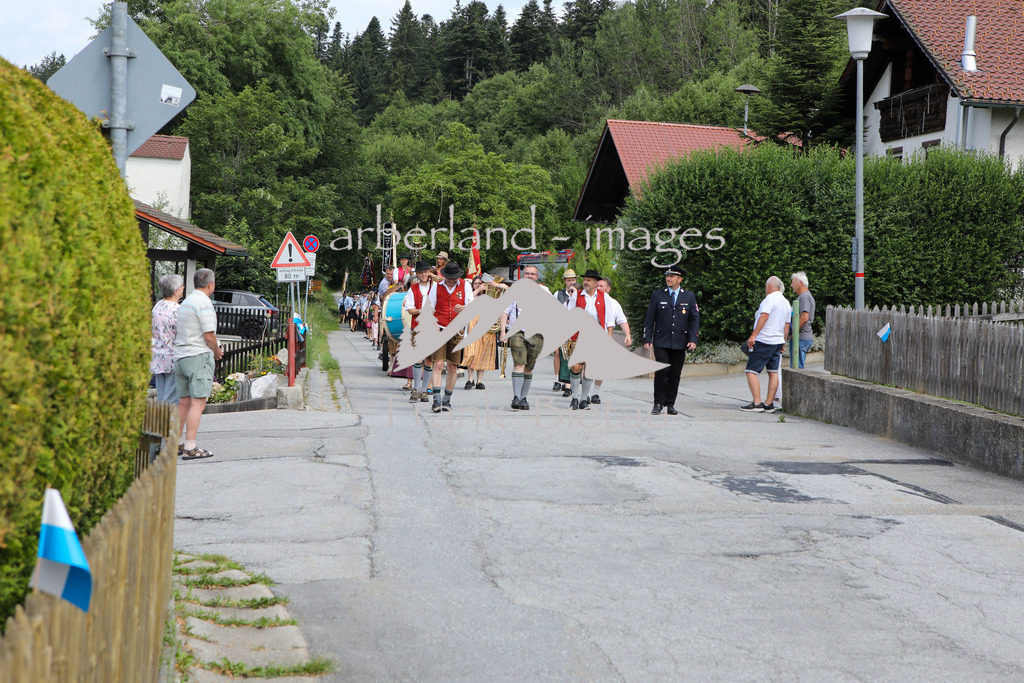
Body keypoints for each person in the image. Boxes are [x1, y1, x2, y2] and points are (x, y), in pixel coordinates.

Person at [174, 268, 223, 459]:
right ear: (211, 284)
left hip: (181, 357)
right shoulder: (204, 303)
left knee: (184, 402)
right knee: (198, 403)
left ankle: (176, 443)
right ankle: (191, 446)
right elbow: (209, 335)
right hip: (198, 356)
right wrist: (217, 352)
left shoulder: (186, 302)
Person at [643, 265, 700, 415]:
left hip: (680, 341)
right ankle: (658, 403)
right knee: (662, 371)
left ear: (679, 279)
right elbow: (650, 319)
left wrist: (693, 339)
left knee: (675, 373)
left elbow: (694, 319)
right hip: (661, 340)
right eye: (667, 276)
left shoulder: (689, 297)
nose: (668, 279)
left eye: (672, 276)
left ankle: (670, 403)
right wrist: (647, 338)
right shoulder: (657, 295)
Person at [563, 269, 614, 410]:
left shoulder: (604, 297)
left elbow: (609, 319)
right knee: (576, 366)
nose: (585, 282)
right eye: (584, 279)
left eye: (588, 280)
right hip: (579, 335)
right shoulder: (577, 295)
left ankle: (584, 399)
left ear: (596, 282)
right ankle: (575, 397)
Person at [499, 265, 547, 410]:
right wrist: (503, 332)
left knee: (528, 367)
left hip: (536, 334)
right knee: (519, 364)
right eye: (527, 274)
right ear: (522, 275)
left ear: (537, 277)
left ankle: (523, 397)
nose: (529, 276)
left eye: (532, 274)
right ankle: (516, 397)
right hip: (517, 332)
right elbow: (504, 312)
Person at [428, 261, 474, 412]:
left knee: (452, 366)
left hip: (457, 330)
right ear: (445, 276)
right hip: (440, 329)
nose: (452, 281)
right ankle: (436, 400)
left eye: (454, 279)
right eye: (449, 279)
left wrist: (464, 308)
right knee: (438, 364)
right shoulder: (436, 287)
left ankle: (447, 399)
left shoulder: (465, 286)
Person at [741, 276, 792, 413]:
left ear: (769, 287)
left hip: (765, 340)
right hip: (778, 341)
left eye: (765, 287)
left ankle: (757, 403)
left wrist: (754, 335)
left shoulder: (769, 299)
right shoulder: (786, 302)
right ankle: (769, 404)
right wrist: (784, 342)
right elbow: (787, 325)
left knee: (751, 371)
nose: (765, 290)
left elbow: (764, 316)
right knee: (773, 372)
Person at [590, 277, 633, 405]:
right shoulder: (590, 300)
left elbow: (622, 320)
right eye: (597, 286)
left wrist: (628, 335)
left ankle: (595, 392)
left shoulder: (614, 303)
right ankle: (585, 393)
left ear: (608, 289)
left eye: (601, 286)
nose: (598, 288)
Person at [461, 275, 506, 389]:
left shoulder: (490, 296)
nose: (477, 285)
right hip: (472, 326)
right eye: (475, 284)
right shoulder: (472, 295)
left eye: (480, 283)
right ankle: (470, 379)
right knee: (471, 353)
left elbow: (507, 289)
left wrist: (496, 285)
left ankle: (479, 381)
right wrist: (478, 290)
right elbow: (467, 301)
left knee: (483, 354)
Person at [404, 261, 436, 402]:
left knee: (429, 359)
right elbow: (410, 309)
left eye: (426, 272)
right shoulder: (413, 289)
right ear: (417, 274)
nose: (424, 274)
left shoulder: (435, 287)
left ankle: (424, 391)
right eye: (421, 272)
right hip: (417, 326)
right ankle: (416, 389)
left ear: (429, 272)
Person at [151, 273, 184, 403]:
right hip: (173, 357)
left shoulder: (158, 306)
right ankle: (169, 417)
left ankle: (161, 417)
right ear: (176, 291)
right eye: (181, 286)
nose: (183, 288)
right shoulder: (178, 310)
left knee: (161, 397)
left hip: (158, 356)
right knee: (172, 399)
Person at [552, 269, 578, 396]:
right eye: (569, 280)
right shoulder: (558, 294)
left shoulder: (578, 294)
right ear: (565, 281)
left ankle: (569, 383)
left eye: (573, 280)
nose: (571, 282)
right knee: (558, 354)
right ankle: (558, 379)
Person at [790, 271, 815, 369]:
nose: (791, 285)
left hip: (801, 338)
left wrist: (794, 333)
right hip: (802, 337)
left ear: (801, 283)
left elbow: (804, 318)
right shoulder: (804, 296)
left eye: (793, 283)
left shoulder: (804, 297)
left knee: (797, 368)